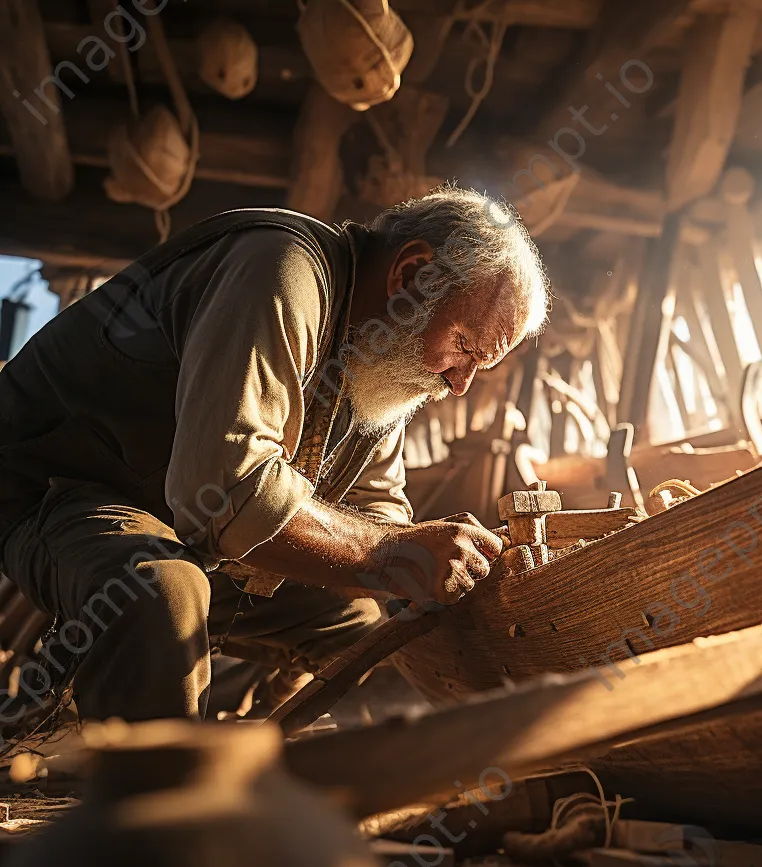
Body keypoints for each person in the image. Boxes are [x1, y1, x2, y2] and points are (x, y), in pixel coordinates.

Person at [0, 186, 549, 723]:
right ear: (410, 276)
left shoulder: (383, 355)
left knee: (375, 630)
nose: (460, 384)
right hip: (56, 496)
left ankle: (310, 787)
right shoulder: (280, 268)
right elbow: (227, 494)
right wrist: (393, 552)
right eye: (464, 347)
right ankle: (156, 803)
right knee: (161, 590)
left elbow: (373, 505)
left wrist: (420, 573)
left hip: (193, 537)